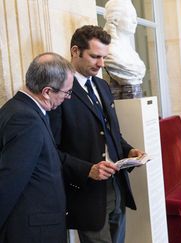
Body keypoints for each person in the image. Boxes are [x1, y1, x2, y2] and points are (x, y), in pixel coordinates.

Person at [48, 25, 144, 243]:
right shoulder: (57, 91)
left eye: (104, 57)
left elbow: (111, 133)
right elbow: (51, 151)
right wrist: (87, 170)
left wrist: (129, 150)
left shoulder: (102, 85)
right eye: (95, 57)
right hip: (86, 193)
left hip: (118, 186)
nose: (101, 64)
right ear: (75, 51)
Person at [0, 52, 74, 242]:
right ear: (47, 91)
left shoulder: (21, 109)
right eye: (66, 92)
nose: (67, 98)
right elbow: (9, 181)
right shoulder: (25, 119)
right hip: (34, 232)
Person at [103, 0, 146, 97]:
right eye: (130, 17)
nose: (135, 21)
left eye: (135, 17)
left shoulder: (131, 52)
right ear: (115, 20)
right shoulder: (110, 52)